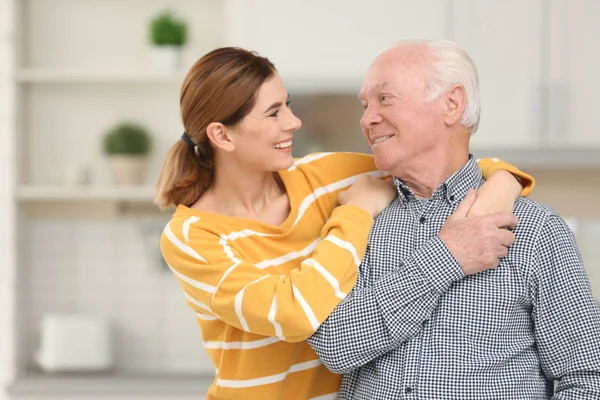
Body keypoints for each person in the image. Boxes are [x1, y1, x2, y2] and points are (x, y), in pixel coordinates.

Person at [155, 47, 535, 400]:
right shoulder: (192, 237)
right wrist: (354, 214)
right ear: (222, 135)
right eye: (273, 113)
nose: (294, 121)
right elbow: (295, 313)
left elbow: (430, 161)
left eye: (287, 105)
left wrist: (505, 179)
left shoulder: (324, 175)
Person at [307, 39, 600, 399]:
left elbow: (586, 378)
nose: (367, 118)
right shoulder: (357, 219)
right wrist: (447, 257)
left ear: (452, 104)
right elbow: (335, 346)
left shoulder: (536, 229)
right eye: (365, 105)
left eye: (385, 99)